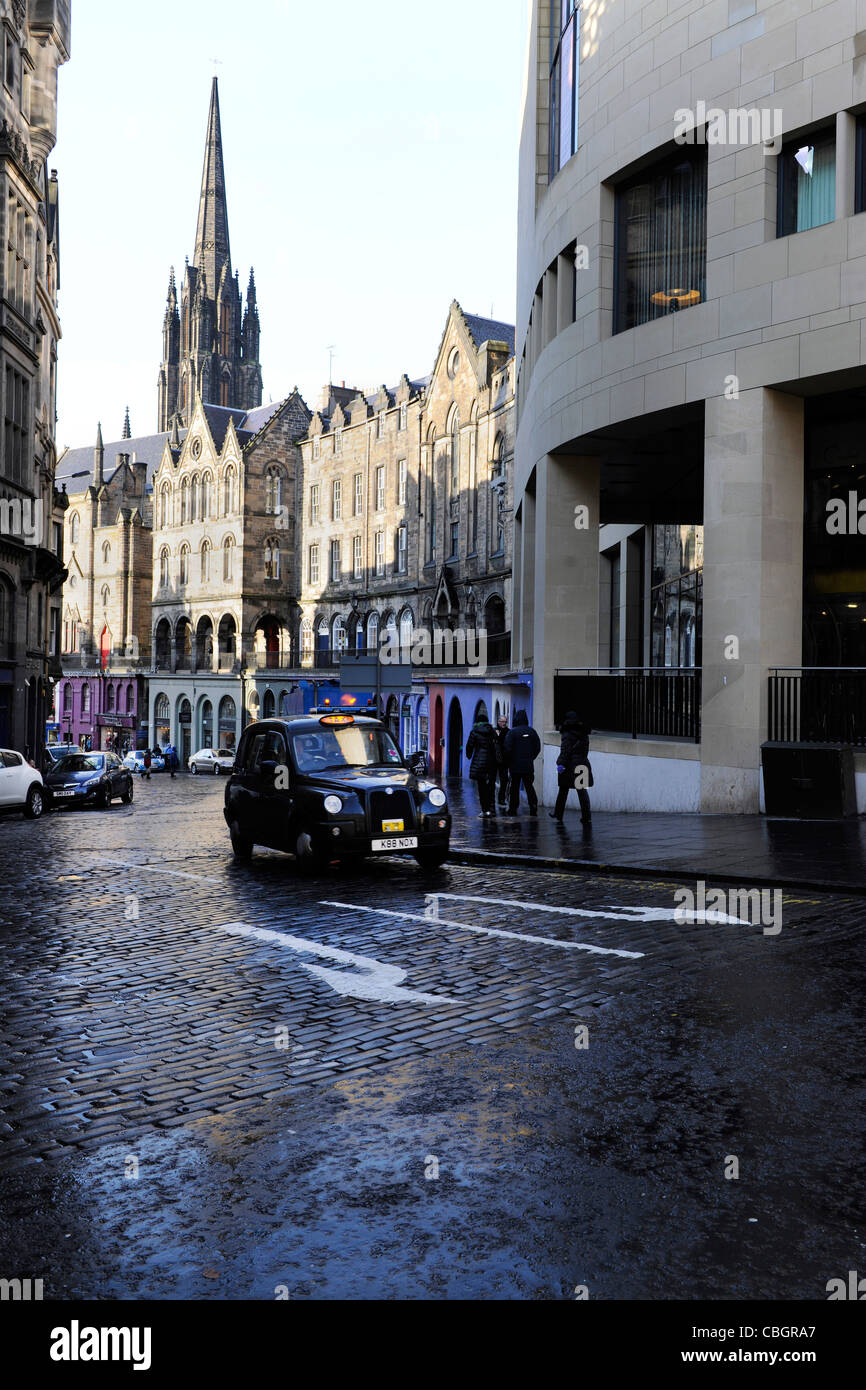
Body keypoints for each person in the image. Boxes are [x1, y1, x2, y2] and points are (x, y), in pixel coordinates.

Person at [550, 710, 592, 825]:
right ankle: (586, 817)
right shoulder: (584, 734)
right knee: (582, 792)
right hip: (582, 764)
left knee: (563, 790)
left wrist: (560, 763)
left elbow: (565, 752)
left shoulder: (567, 735)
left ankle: (558, 814)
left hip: (569, 766)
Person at [505, 710, 541, 815]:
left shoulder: (512, 732)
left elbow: (507, 748)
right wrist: (530, 758)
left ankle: (513, 808)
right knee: (529, 787)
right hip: (528, 765)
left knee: (514, 788)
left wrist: (510, 761)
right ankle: (533, 806)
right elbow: (537, 748)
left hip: (515, 766)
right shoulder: (532, 731)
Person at [465, 713, 499, 817]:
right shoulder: (492, 731)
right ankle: (492, 809)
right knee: (491, 787)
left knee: (482, 787)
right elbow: (497, 746)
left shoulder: (474, 732)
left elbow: (469, 746)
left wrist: (469, 755)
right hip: (492, 763)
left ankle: (485, 810)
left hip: (479, 764)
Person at [494, 716, 510, 808]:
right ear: (498, 721)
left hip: (504, 760)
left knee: (504, 780)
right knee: (492, 780)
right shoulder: (494, 731)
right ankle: (492, 800)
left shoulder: (508, 732)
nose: (504, 723)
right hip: (494, 760)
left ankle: (501, 799)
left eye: (505, 721)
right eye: (502, 721)